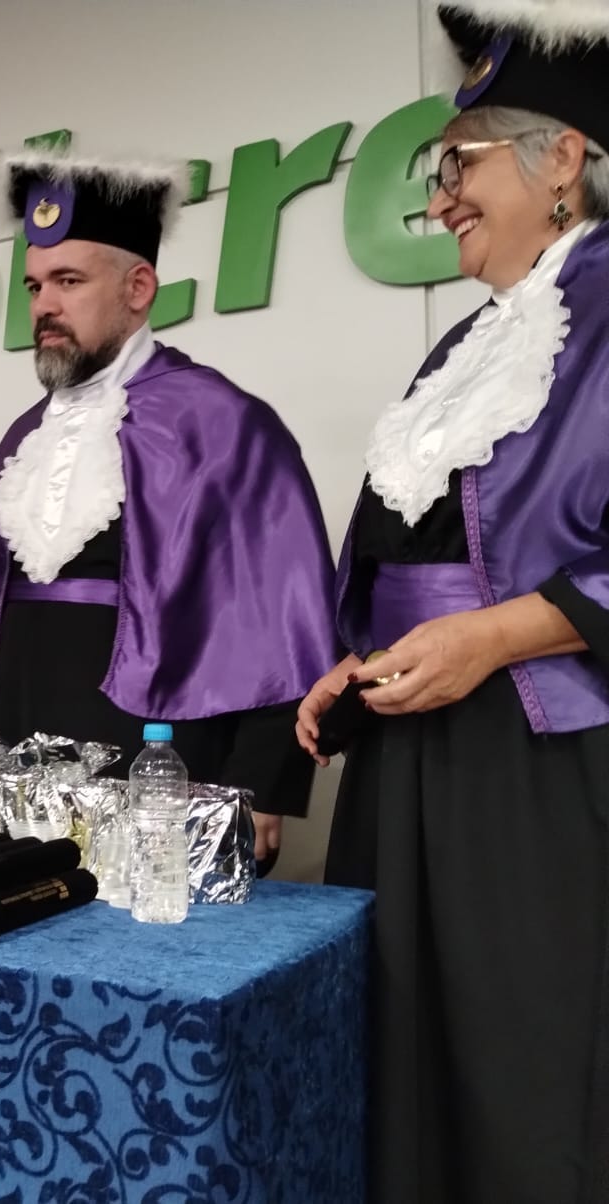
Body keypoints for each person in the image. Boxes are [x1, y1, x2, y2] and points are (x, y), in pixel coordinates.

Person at [298, 5, 609, 1199]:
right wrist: (358, 656)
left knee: (525, 1080)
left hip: (541, 759)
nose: (439, 202)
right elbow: (410, 543)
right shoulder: (459, 351)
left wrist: (498, 634)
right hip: (411, 747)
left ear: (562, 157)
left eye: (458, 165)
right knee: (400, 1062)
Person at [0, 146, 337, 863]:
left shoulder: (222, 420)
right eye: (34, 286)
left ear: (138, 287)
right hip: (18, 765)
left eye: (68, 280)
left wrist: (261, 785)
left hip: (162, 761)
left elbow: (285, 620)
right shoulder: (25, 436)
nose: (44, 306)